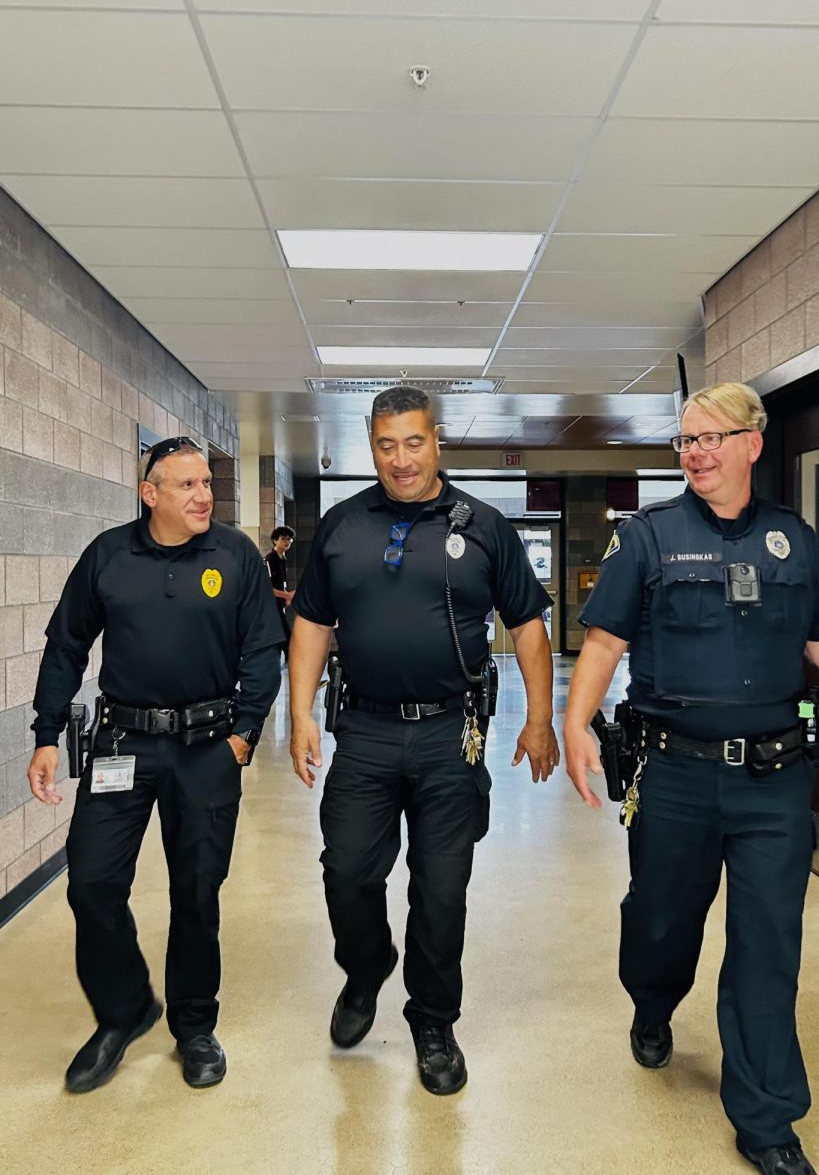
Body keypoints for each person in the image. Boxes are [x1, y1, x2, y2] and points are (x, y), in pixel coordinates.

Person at [563, 382, 819, 1175]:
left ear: (753, 443)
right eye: (686, 441)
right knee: (661, 923)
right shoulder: (647, 537)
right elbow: (606, 642)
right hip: (673, 778)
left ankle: (767, 1119)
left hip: (773, 785)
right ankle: (652, 1001)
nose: (697, 453)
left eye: (712, 437)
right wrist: (575, 723)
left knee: (768, 947)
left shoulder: (793, 541)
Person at [289, 386, 559, 1096]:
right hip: (366, 731)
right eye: (386, 445)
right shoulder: (343, 526)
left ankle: (433, 1020)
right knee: (347, 872)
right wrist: (299, 714)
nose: (401, 459)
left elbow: (528, 624)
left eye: (413, 442)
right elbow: (312, 623)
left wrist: (539, 720)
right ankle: (365, 966)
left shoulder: (485, 527)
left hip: (450, 735)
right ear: (369, 446)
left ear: (437, 441)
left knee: (443, 892)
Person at [27, 437, 283, 1094]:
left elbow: (262, 647)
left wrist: (244, 736)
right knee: (91, 883)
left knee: (197, 893)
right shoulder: (110, 556)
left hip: (208, 747)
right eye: (188, 485)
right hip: (123, 744)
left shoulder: (235, 558)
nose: (204, 496)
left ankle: (194, 1026)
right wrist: (47, 732)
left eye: (206, 483)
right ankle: (124, 1010)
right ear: (151, 494)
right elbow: (66, 645)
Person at [265, 525, 296, 658]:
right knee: (284, 635)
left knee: (282, 635)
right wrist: (287, 595)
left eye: (289, 540)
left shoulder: (283, 560)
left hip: (278, 603)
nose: (287, 542)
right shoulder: (269, 560)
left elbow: (281, 583)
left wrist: (285, 597)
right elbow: (265, 588)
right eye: (283, 539)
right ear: (275, 540)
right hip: (270, 605)